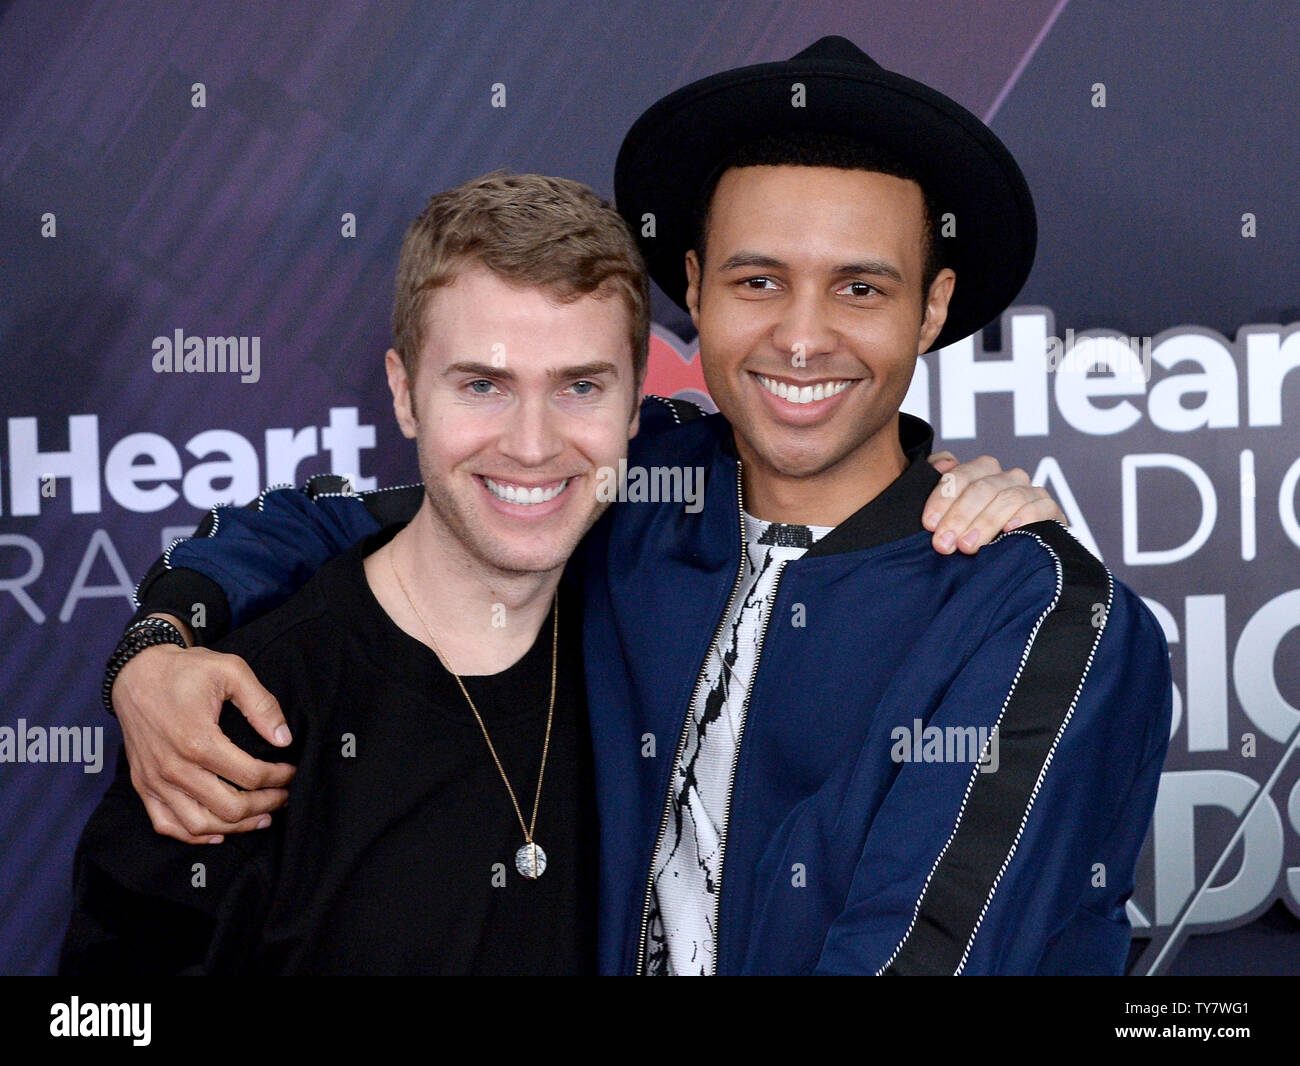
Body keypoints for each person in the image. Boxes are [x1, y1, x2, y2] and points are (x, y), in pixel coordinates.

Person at [93, 39, 1155, 975]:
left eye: (860, 288)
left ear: (931, 306)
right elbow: (373, 520)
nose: (800, 336)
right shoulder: (629, 491)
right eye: (756, 281)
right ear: (691, 289)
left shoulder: (1039, 615)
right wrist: (157, 640)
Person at [61, 172, 651, 973]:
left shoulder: (667, 645)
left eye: (581, 386)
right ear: (405, 395)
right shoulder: (238, 724)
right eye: (483, 385)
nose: (533, 444)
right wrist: (157, 641)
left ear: (636, 409)